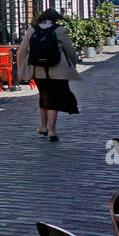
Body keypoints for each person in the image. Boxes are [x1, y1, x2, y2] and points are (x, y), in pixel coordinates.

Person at [16, 8, 80, 141]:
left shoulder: (32, 30)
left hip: (38, 68)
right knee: (54, 98)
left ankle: (43, 126)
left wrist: (22, 68)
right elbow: (71, 51)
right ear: (55, 18)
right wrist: (72, 66)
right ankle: (52, 130)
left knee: (44, 95)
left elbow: (22, 51)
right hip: (58, 69)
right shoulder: (60, 30)